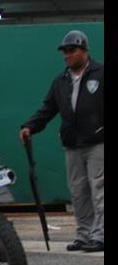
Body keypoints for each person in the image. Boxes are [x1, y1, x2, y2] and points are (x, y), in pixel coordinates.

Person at [20, 30, 103, 253]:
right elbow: (48, 109)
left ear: (84, 50)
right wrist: (29, 126)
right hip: (72, 144)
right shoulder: (61, 81)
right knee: (78, 191)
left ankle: (101, 235)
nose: (67, 55)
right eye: (65, 51)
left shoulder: (100, 73)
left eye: (72, 50)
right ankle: (84, 235)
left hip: (98, 141)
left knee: (100, 189)